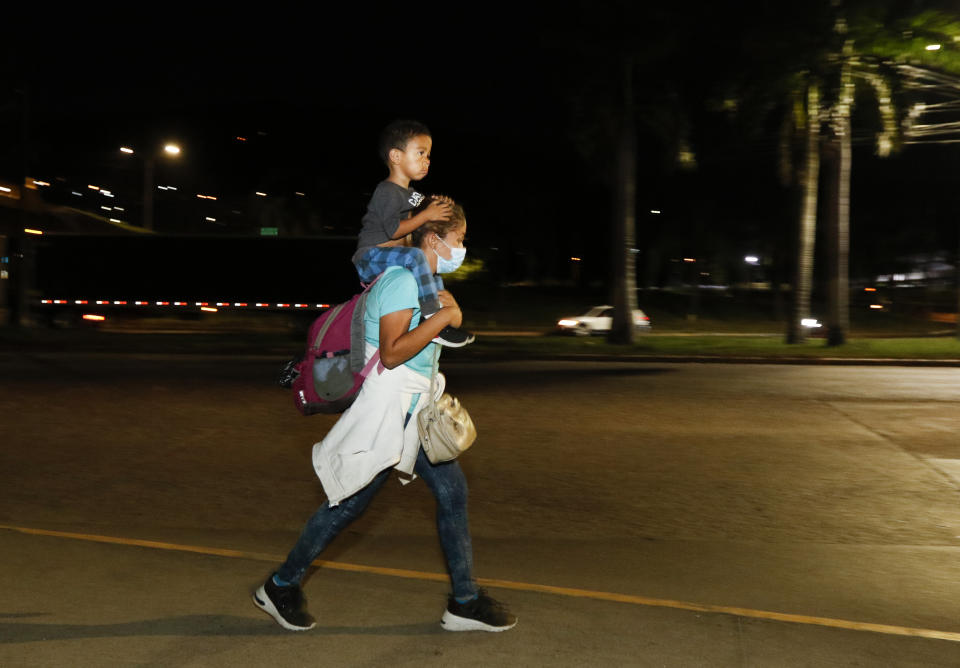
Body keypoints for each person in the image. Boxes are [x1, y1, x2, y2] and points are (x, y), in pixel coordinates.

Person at [254, 203, 516, 633]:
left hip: (414, 410)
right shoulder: (399, 281)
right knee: (349, 503)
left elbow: (425, 348)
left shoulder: (428, 286)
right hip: (388, 411)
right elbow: (394, 353)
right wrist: (447, 317)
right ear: (434, 239)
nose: (462, 248)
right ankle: (281, 584)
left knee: (452, 494)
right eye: (460, 239)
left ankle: (465, 601)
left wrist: (445, 319)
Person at [352, 119, 475, 348]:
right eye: (420, 153)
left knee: (431, 274)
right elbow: (394, 229)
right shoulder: (387, 191)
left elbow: (424, 204)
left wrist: (439, 204)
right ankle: (430, 317)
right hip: (369, 257)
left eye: (428, 155)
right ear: (396, 156)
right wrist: (427, 215)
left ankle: (440, 318)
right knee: (416, 257)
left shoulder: (409, 193)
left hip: (387, 256)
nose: (426, 161)